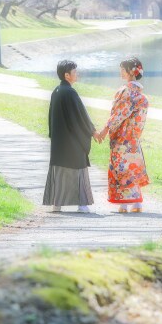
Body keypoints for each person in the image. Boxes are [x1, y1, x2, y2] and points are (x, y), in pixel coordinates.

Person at [94, 57, 150, 213]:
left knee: (122, 168)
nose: (120, 72)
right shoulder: (141, 96)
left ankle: (124, 204)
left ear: (130, 73)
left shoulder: (125, 92)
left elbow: (118, 115)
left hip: (121, 138)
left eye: (122, 69)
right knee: (132, 167)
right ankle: (137, 204)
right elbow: (139, 122)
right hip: (132, 138)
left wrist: (105, 130)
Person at [43, 60, 97, 213]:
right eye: (74, 72)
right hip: (72, 139)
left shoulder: (57, 91)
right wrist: (92, 131)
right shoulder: (70, 92)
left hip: (60, 140)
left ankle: (57, 203)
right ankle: (82, 204)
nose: (77, 74)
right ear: (67, 75)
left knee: (60, 170)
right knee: (78, 168)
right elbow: (81, 116)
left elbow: (51, 118)